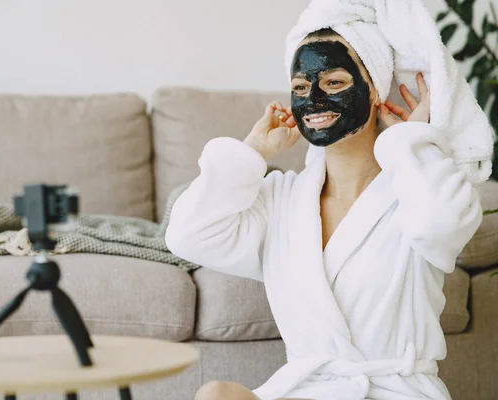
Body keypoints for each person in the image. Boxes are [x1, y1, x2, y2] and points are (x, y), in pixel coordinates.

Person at [164, 27, 482, 400]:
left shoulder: (414, 189)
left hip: (393, 392)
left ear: (375, 88)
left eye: (334, 82)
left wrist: (409, 143)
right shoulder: (282, 199)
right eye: (300, 87)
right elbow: (187, 235)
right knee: (216, 394)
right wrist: (251, 153)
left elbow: (441, 224)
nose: (313, 99)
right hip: (309, 391)